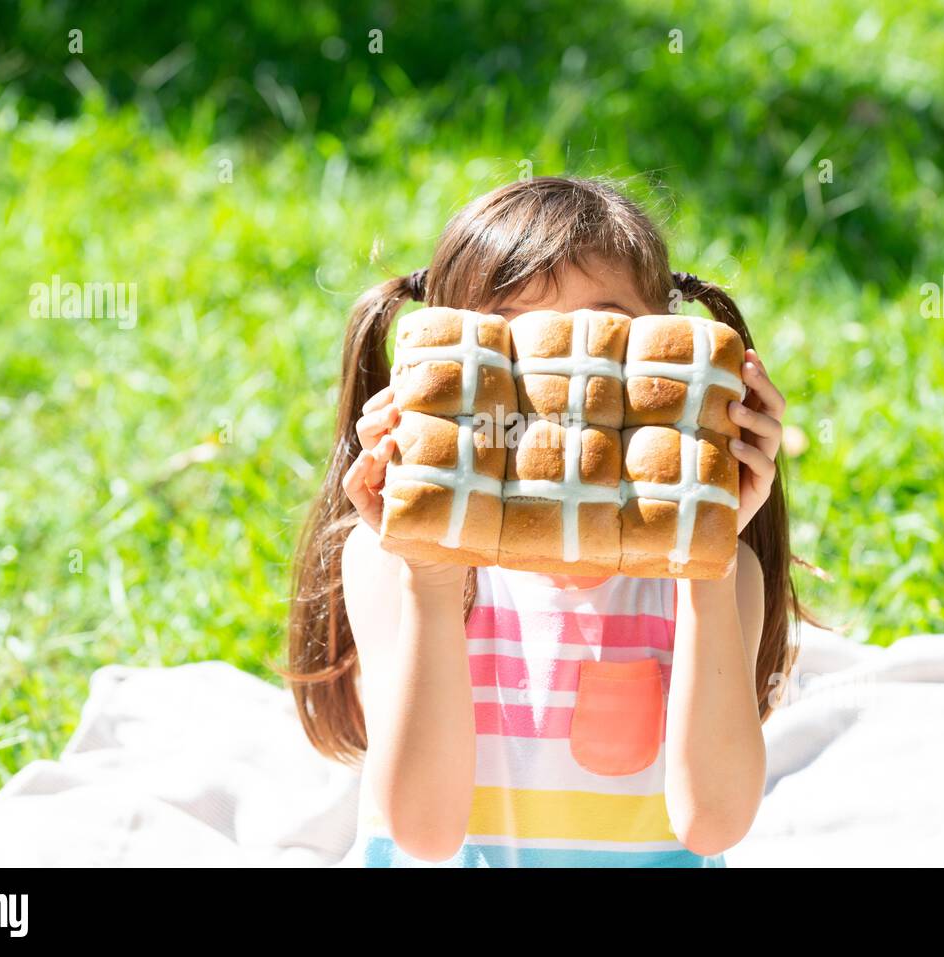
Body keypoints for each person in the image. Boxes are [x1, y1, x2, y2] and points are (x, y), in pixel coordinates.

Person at [287, 176, 801, 867]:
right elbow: (424, 833)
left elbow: (712, 824)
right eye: (515, 341)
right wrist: (431, 581)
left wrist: (700, 552)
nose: (565, 389)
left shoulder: (714, 578)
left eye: (602, 329)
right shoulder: (390, 562)